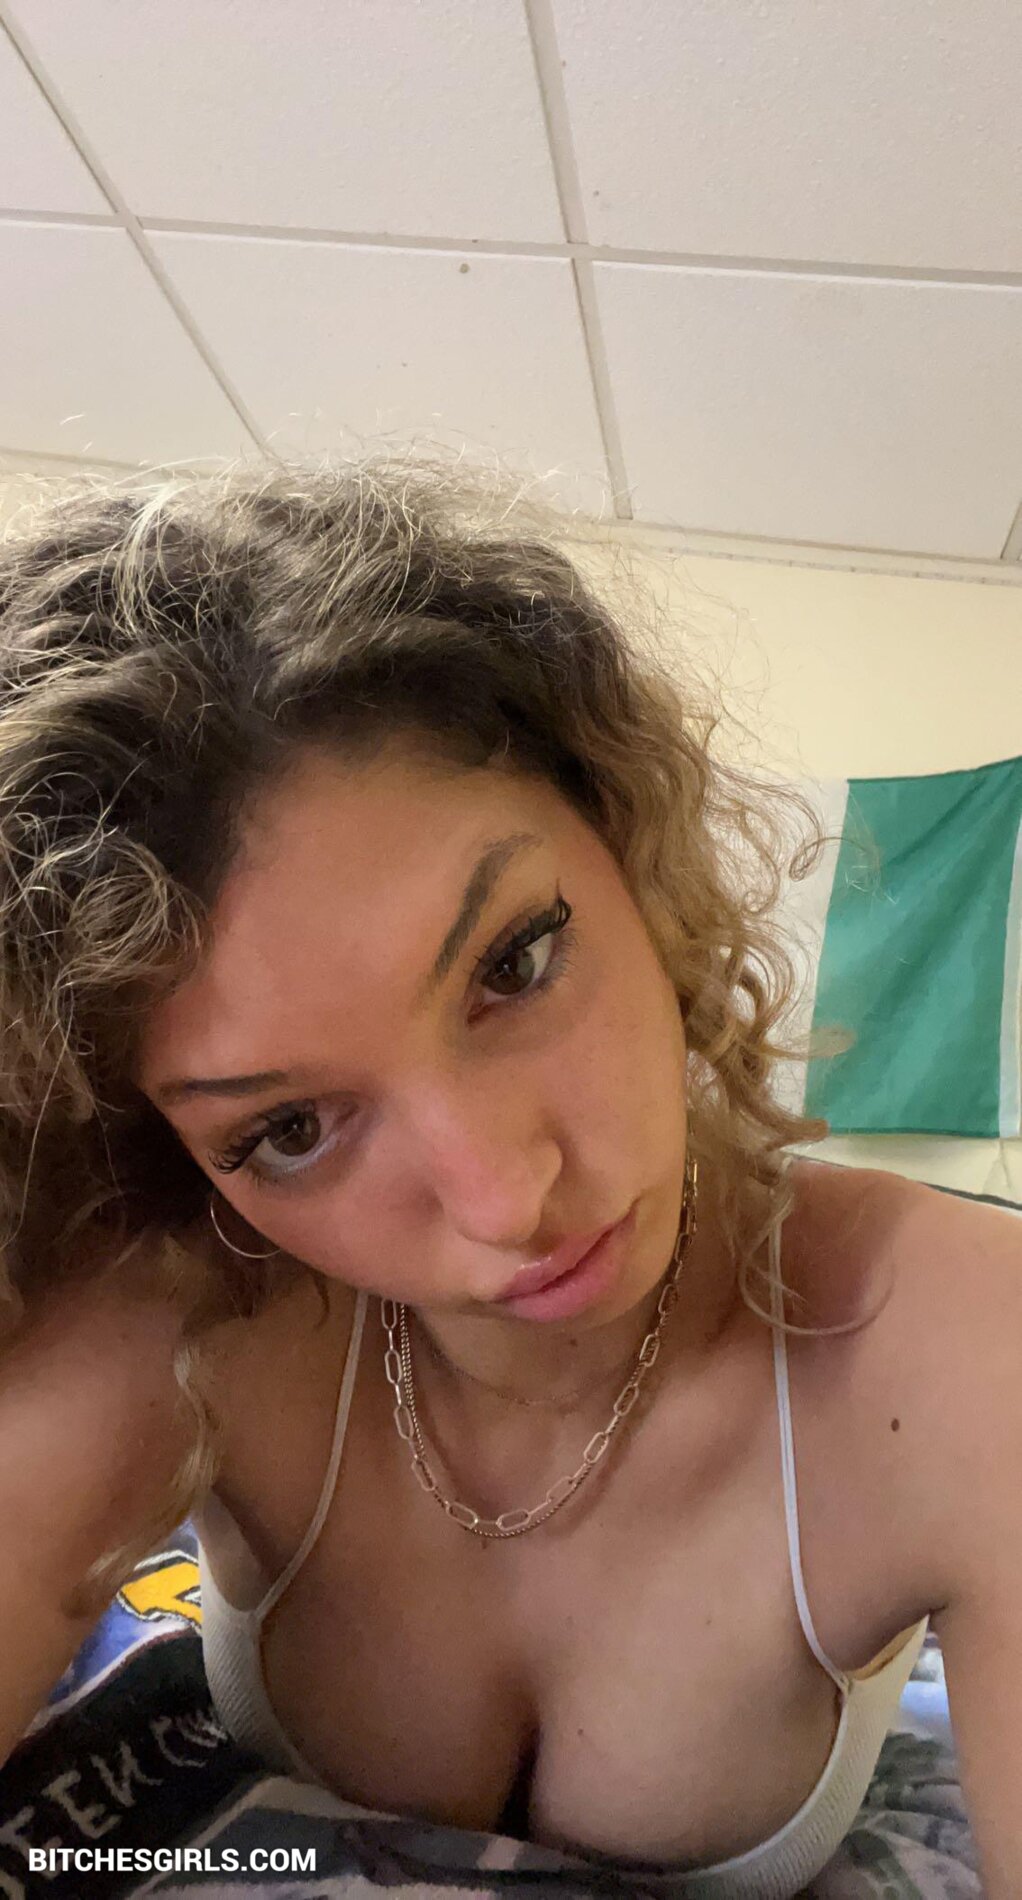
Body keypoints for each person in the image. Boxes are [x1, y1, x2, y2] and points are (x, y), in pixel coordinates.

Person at [0, 456, 1017, 1897]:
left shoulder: (963, 1345)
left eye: (514, 963)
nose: (502, 1199)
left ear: (623, 839)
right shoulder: (188, 1314)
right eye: (288, 1129)